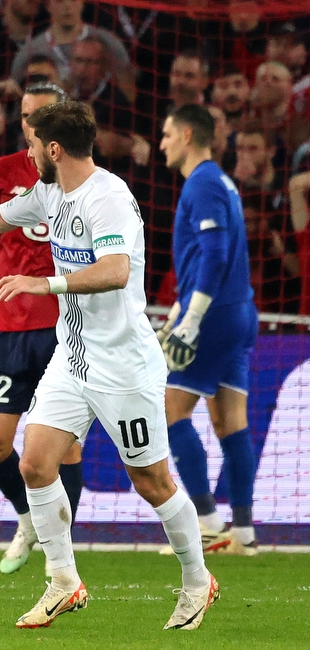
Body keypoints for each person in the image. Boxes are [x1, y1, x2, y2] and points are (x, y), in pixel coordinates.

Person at [0, 101, 217, 631]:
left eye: (32, 145)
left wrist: (42, 283)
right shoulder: (49, 193)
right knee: (33, 462)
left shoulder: (109, 196)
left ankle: (197, 581)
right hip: (73, 360)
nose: (27, 154)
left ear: (53, 149)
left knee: (152, 481)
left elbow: (116, 270)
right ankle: (64, 582)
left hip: (124, 366)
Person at [0, 82, 84, 576]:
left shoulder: (81, 177)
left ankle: (61, 558)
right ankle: (29, 517)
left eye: (41, 115)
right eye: (26, 115)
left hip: (64, 327)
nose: (31, 124)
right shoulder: (3, 172)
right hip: (9, 328)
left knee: (63, 444)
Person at [157, 104, 259, 556]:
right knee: (228, 420)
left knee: (170, 411)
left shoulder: (200, 182)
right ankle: (243, 532)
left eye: (165, 135)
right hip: (237, 310)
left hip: (214, 316)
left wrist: (192, 320)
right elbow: (206, 257)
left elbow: (216, 254)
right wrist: (181, 307)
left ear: (185, 136)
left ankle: (206, 521)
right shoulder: (221, 181)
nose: (161, 143)